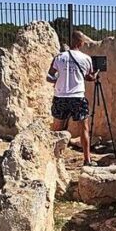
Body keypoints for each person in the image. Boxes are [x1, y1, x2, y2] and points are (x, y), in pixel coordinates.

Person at [47, 30, 97, 165]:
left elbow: (49, 77)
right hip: (77, 97)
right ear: (80, 43)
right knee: (84, 128)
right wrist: (95, 75)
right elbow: (90, 77)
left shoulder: (59, 57)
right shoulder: (86, 59)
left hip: (60, 96)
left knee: (57, 128)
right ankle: (87, 160)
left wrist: (59, 80)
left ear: (70, 42)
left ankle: (51, 158)